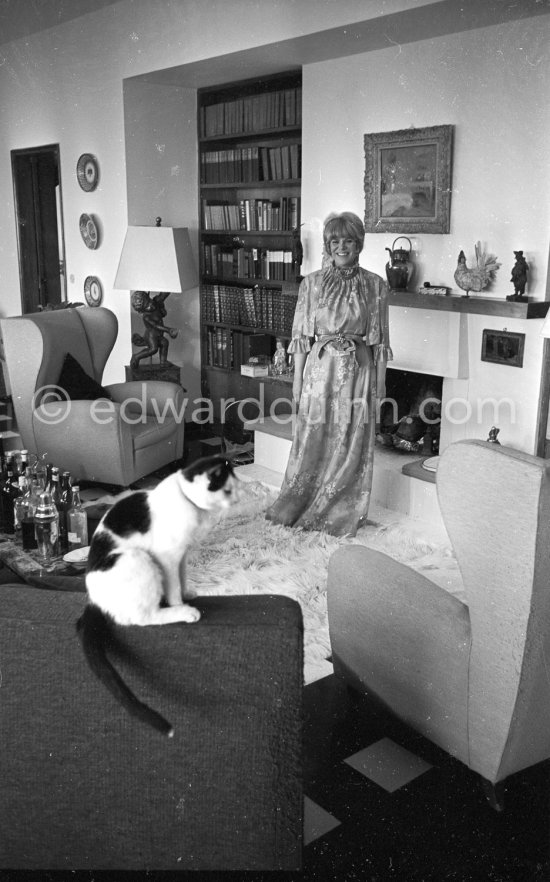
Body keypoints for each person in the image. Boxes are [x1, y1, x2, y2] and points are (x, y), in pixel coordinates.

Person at [266, 211, 392, 536]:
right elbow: (300, 338)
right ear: (328, 244)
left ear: (359, 244)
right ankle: (298, 503)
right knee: (313, 436)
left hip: (358, 372)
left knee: (350, 439)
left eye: (348, 240)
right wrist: (296, 383)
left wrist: (379, 386)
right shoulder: (311, 284)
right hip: (319, 372)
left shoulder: (376, 285)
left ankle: (336, 511)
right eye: (335, 241)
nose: (342, 247)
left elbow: (380, 343)